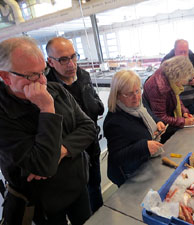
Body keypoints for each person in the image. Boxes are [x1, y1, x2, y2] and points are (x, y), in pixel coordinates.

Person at [0, 37, 96, 224]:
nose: (42, 81)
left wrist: (60, 151)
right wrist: (47, 110)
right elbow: (43, 165)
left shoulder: (55, 90)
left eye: (43, 71)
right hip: (43, 202)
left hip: (77, 185)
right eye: (31, 76)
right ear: (6, 77)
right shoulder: (4, 114)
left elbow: (89, 127)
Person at [45, 37, 104, 212]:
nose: (71, 63)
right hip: (71, 156)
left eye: (73, 56)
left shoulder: (83, 76)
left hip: (91, 145)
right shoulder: (48, 88)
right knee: (80, 197)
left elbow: (97, 105)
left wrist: (94, 104)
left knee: (95, 186)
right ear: (50, 62)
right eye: (63, 59)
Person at [103, 70, 165, 187]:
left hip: (147, 164)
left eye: (137, 91)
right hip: (131, 174)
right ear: (117, 95)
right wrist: (144, 147)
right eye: (129, 93)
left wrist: (157, 122)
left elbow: (149, 116)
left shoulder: (138, 105)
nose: (136, 97)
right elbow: (117, 157)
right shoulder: (114, 122)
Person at [143, 56, 194, 142]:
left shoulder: (170, 77)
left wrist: (184, 112)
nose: (185, 83)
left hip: (168, 120)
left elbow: (176, 97)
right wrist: (183, 122)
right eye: (184, 80)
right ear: (178, 76)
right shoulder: (159, 86)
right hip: (160, 129)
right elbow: (160, 116)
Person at [161, 39, 194, 114]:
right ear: (175, 51)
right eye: (180, 52)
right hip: (174, 105)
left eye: (185, 52)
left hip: (192, 103)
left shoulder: (193, 60)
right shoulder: (166, 62)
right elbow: (162, 84)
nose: (183, 55)